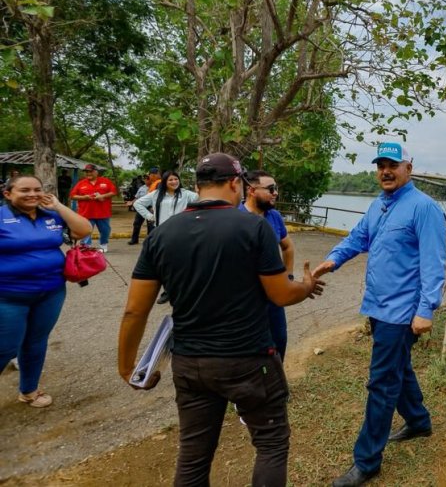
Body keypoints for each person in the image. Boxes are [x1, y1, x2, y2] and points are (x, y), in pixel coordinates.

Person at [117, 152, 324, 486]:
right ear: (234, 183)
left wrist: (128, 367)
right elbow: (280, 295)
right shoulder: (253, 227)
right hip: (249, 359)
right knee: (270, 444)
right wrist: (306, 285)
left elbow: (134, 310)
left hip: (190, 364)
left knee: (193, 456)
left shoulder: (162, 234)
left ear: (198, 186)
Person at [313, 143, 446, 487]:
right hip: (378, 306)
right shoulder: (378, 206)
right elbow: (358, 238)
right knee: (397, 369)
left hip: (401, 313)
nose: (385, 171)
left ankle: (367, 461)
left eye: (393, 165)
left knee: (381, 382)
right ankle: (418, 421)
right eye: (381, 165)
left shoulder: (424, 208)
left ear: (409, 167)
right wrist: (333, 259)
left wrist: (425, 309)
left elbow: (434, 263)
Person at [0, 175, 91, 408]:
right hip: (8, 295)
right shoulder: (2, 217)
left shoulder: (51, 216)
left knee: (36, 342)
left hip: (51, 292)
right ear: (8, 194)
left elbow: (83, 230)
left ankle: (29, 391)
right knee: (6, 346)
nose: (32, 194)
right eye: (24, 190)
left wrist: (58, 206)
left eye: (37, 189)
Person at [240, 169, 296, 360]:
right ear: (251, 190)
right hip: (246, 298)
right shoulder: (235, 218)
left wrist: (288, 277)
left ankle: (277, 384)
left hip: (273, 298)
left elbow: (288, 247)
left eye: (276, 188)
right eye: (271, 189)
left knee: (279, 341)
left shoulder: (274, 216)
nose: (275, 193)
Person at [133, 171, 199, 304]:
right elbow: (138, 204)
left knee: (182, 262)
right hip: (162, 233)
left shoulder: (186, 194)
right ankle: (168, 289)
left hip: (182, 232)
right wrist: (150, 217)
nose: (174, 182)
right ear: (164, 182)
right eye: (170, 180)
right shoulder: (156, 194)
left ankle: (182, 290)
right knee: (164, 263)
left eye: (176, 179)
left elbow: (202, 199)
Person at [69, 164, 117, 253]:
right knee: (86, 231)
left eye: (90, 171)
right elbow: (72, 196)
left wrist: (102, 196)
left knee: (105, 231)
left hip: (103, 213)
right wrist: (85, 197)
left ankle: (103, 245)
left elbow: (113, 192)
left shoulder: (105, 181)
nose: (88, 173)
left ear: (96, 172)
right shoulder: (81, 183)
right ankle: (86, 246)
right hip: (86, 213)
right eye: (86, 172)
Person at [127, 176, 153, 245]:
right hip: (141, 208)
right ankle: (134, 240)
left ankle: (150, 241)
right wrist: (131, 202)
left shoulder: (154, 187)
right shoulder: (142, 188)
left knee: (150, 225)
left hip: (150, 208)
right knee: (136, 224)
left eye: (147, 179)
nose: (146, 181)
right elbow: (136, 197)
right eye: (145, 179)